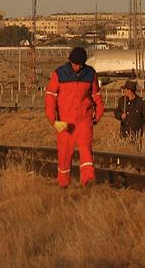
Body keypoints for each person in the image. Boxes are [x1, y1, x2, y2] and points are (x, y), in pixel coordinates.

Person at [45, 46, 105, 187]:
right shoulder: (59, 74)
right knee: (65, 153)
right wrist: (53, 120)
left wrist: (99, 112)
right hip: (65, 122)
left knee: (86, 149)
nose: (77, 67)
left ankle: (88, 180)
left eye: (80, 64)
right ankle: (64, 183)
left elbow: (96, 95)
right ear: (70, 61)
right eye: (75, 64)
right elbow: (50, 97)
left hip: (84, 119)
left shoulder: (90, 74)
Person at [116, 80, 145, 147]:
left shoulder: (141, 102)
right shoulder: (122, 100)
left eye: (125, 89)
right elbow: (116, 111)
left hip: (136, 134)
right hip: (124, 133)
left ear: (130, 90)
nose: (124, 91)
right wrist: (120, 115)